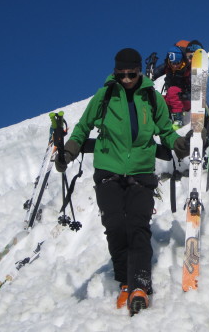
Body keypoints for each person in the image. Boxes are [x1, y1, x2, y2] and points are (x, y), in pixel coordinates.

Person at [54, 47, 190, 316]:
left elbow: (165, 130)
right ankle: (125, 282)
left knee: (137, 225)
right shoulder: (105, 95)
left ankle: (140, 284)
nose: (126, 79)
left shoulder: (151, 97)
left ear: (139, 71)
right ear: (115, 72)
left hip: (141, 170)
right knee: (115, 225)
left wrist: (179, 144)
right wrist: (68, 152)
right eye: (121, 74)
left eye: (131, 74)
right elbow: (82, 128)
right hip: (108, 170)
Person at [183, 40, 209, 127]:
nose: (189, 61)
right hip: (205, 113)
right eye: (187, 58)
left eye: (191, 57)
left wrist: (199, 113)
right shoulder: (197, 71)